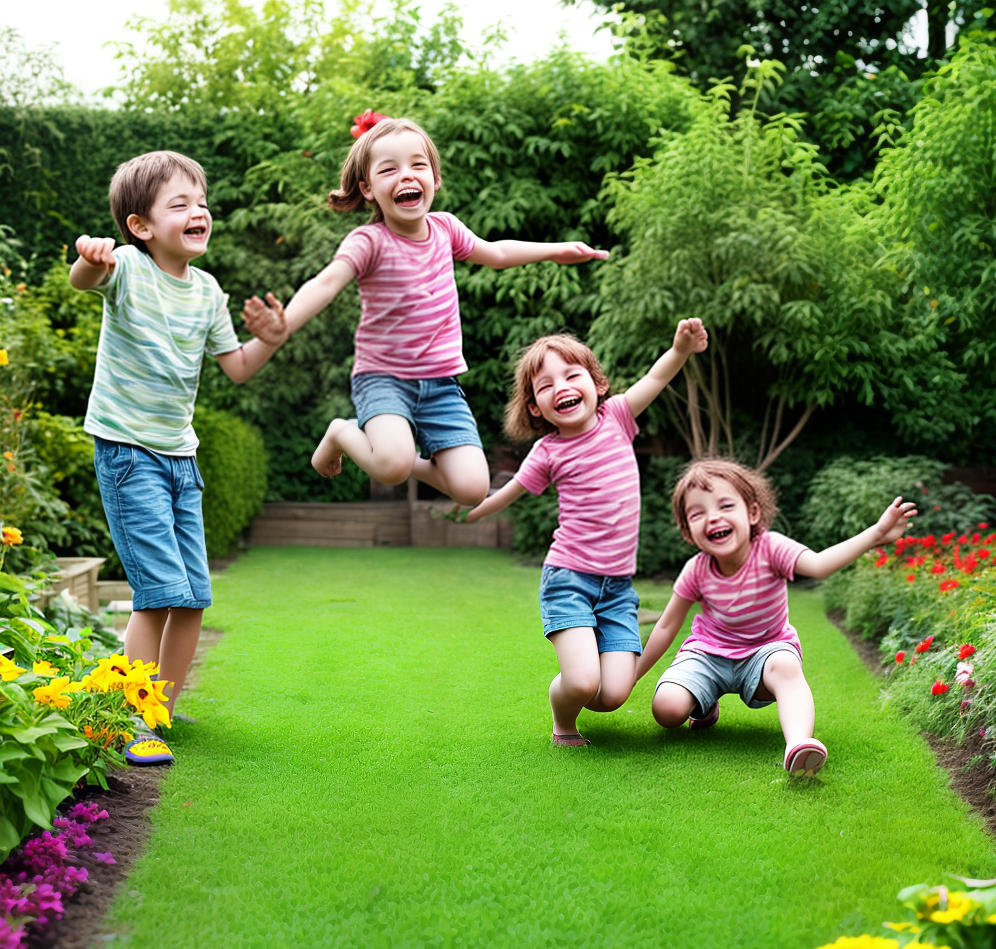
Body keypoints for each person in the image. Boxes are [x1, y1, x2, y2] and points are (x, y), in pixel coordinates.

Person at [242, 113, 608, 507]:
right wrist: (284, 324)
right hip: (383, 378)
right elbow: (327, 283)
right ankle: (340, 433)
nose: (407, 176)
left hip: (441, 384)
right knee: (391, 467)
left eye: (418, 165)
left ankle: (394, 451)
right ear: (367, 189)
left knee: (470, 489)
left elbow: (498, 252)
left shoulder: (446, 229)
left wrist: (557, 251)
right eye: (389, 169)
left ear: (435, 179)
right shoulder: (369, 241)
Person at [70, 150, 290, 766]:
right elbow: (84, 282)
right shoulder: (129, 269)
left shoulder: (208, 291)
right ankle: (127, 719)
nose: (199, 212)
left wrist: (268, 341)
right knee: (156, 591)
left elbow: (238, 367)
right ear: (141, 226)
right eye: (180, 204)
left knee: (192, 593)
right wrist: (91, 262)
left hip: (179, 459)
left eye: (201, 202)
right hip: (128, 453)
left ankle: (158, 707)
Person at [464, 320, 708, 746]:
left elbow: (656, 377)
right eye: (546, 385)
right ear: (535, 408)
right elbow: (508, 493)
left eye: (572, 375)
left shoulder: (616, 417)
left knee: (611, 695)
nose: (562, 386)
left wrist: (681, 350)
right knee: (580, 684)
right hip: (569, 579)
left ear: (597, 385)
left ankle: (582, 679)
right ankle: (563, 721)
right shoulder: (547, 452)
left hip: (616, 587)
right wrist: (466, 510)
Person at [635, 459, 916, 776]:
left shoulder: (771, 548)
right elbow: (667, 626)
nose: (713, 518)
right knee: (667, 710)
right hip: (707, 654)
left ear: (752, 513)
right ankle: (704, 703)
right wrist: (632, 675)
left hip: (765, 653)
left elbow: (820, 565)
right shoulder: (696, 570)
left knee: (785, 665)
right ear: (688, 532)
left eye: (726, 505)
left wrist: (877, 532)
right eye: (697, 514)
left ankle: (798, 745)